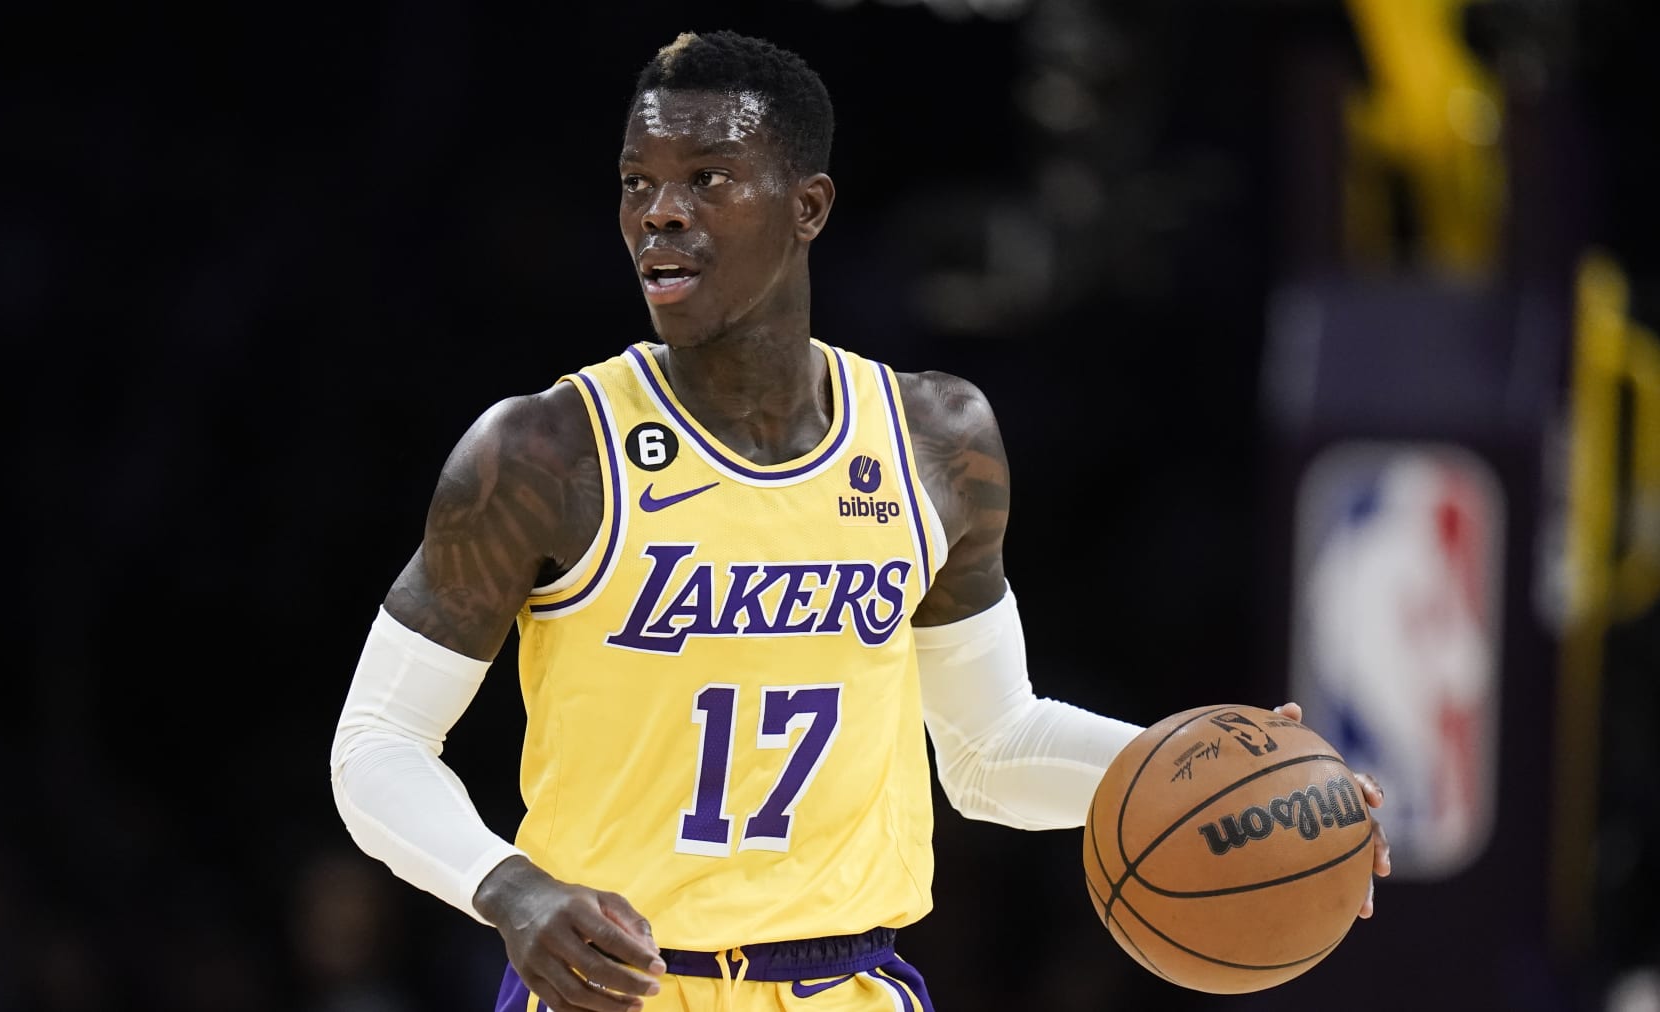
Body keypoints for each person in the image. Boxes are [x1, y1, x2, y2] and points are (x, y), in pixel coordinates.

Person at [329, 30, 1390, 1012]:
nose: (660, 212)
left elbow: (989, 747)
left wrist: (1230, 781)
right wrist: (507, 886)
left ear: (809, 207)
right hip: (618, 987)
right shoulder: (545, 451)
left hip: (847, 984)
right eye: (636, 182)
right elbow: (377, 741)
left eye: (707, 179)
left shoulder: (938, 438)